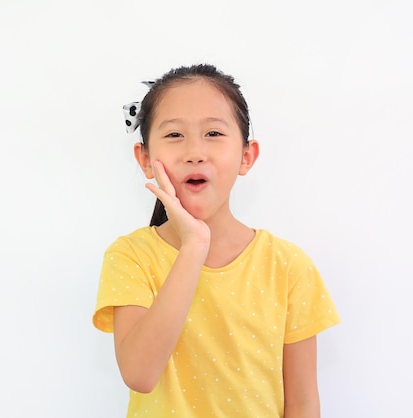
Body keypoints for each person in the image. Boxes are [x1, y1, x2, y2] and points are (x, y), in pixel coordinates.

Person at [93, 63, 340, 417]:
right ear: (145, 158)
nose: (195, 151)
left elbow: (302, 402)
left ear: (246, 156)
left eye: (213, 134)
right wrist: (194, 246)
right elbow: (139, 374)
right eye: (175, 135)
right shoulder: (130, 256)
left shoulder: (287, 265)